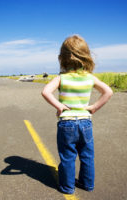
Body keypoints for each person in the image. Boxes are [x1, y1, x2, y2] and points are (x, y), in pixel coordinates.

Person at [41, 35, 113, 194]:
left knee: (68, 157)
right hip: (85, 123)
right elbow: (108, 92)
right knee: (87, 156)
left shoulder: (61, 78)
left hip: (66, 123)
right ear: (86, 55)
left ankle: (67, 187)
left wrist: (59, 106)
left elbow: (45, 92)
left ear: (62, 58)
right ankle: (87, 184)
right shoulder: (90, 77)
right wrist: (93, 107)